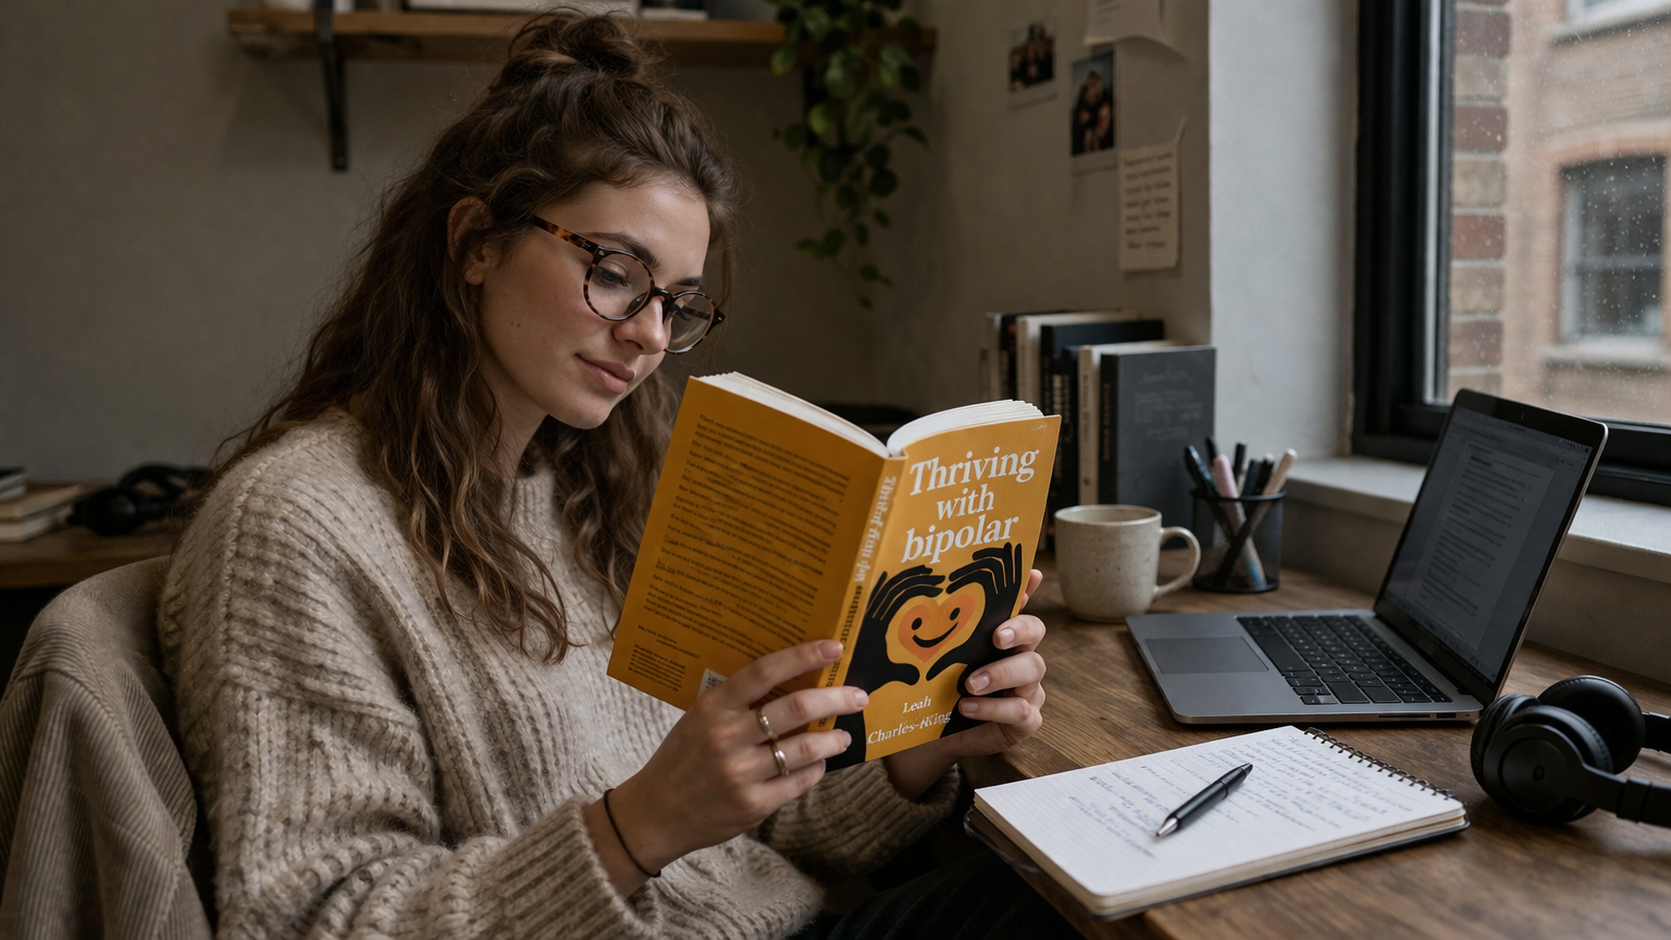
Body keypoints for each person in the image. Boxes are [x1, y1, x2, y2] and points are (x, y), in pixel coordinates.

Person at [158, 11, 1071, 940]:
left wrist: (928, 741)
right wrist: (638, 828)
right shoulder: (295, 527)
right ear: (475, 242)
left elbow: (743, 836)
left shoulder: (584, 490)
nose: (645, 333)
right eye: (614, 270)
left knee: (1093, 893)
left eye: (675, 302)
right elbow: (314, 920)